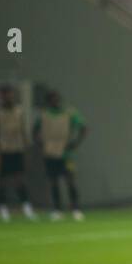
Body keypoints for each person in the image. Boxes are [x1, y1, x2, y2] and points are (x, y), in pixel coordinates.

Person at [33, 90, 87, 221]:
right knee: (53, 182)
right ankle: (57, 210)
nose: (55, 102)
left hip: (66, 154)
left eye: (57, 99)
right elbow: (34, 131)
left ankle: (76, 209)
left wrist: (75, 143)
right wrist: (41, 145)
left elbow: (83, 127)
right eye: (52, 99)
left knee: (70, 181)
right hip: (50, 154)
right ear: (48, 102)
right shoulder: (43, 116)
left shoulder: (69, 113)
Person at [0, 86, 35, 221]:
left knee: (20, 180)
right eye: (5, 95)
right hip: (3, 151)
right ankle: (3, 208)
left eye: (9, 95)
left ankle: (26, 207)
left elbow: (24, 131)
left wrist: (26, 149)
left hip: (17, 150)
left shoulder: (19, 112)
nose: (8, 97)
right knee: (2, 182)